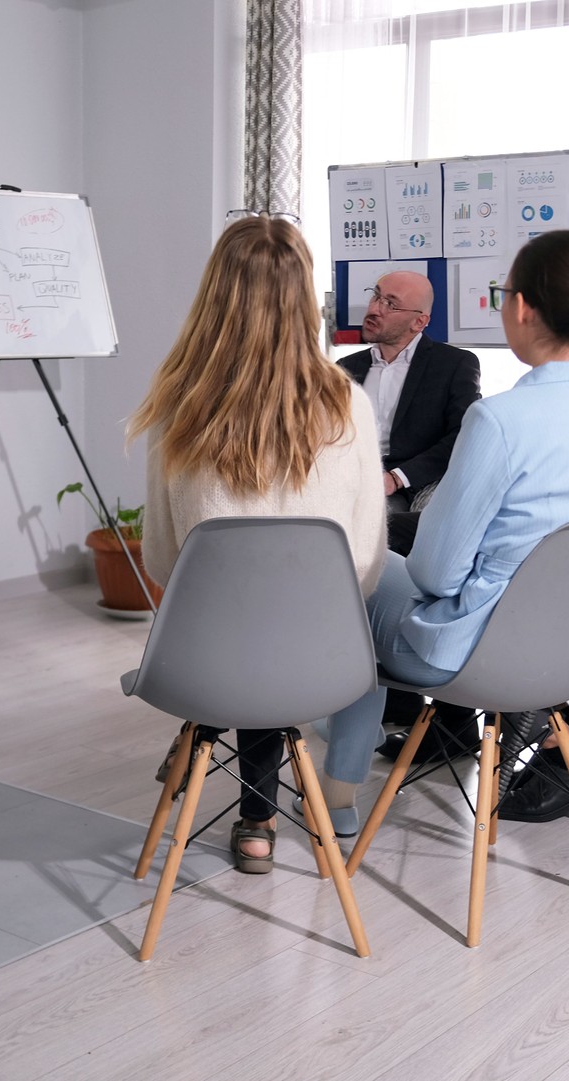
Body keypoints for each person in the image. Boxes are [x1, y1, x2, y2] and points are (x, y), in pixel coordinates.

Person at [319, 230, 569, 834]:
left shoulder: (501, 420)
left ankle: (336, 795)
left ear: (523, 307)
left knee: (357, 569)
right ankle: (341, 754)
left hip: (479, 652)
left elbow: (433, 572)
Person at [132, 216, 386, 874]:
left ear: (214, 294)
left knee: (240, 629)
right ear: (305, 299)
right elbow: (365, 563)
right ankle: (256, 817)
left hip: (202, 659)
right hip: (319, 661)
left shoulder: (175, 405)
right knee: (278, 629)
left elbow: (162, 560)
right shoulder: (349, 404)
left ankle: (230, 774)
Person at [337, 270, 481, 512]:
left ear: (419, 322)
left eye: (391, 304)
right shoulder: (345, 368)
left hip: (413, 485)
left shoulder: (453, 365)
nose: (375, 309)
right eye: (376, 297)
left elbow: (463, 437)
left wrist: (396, 478)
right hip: (351, 480)